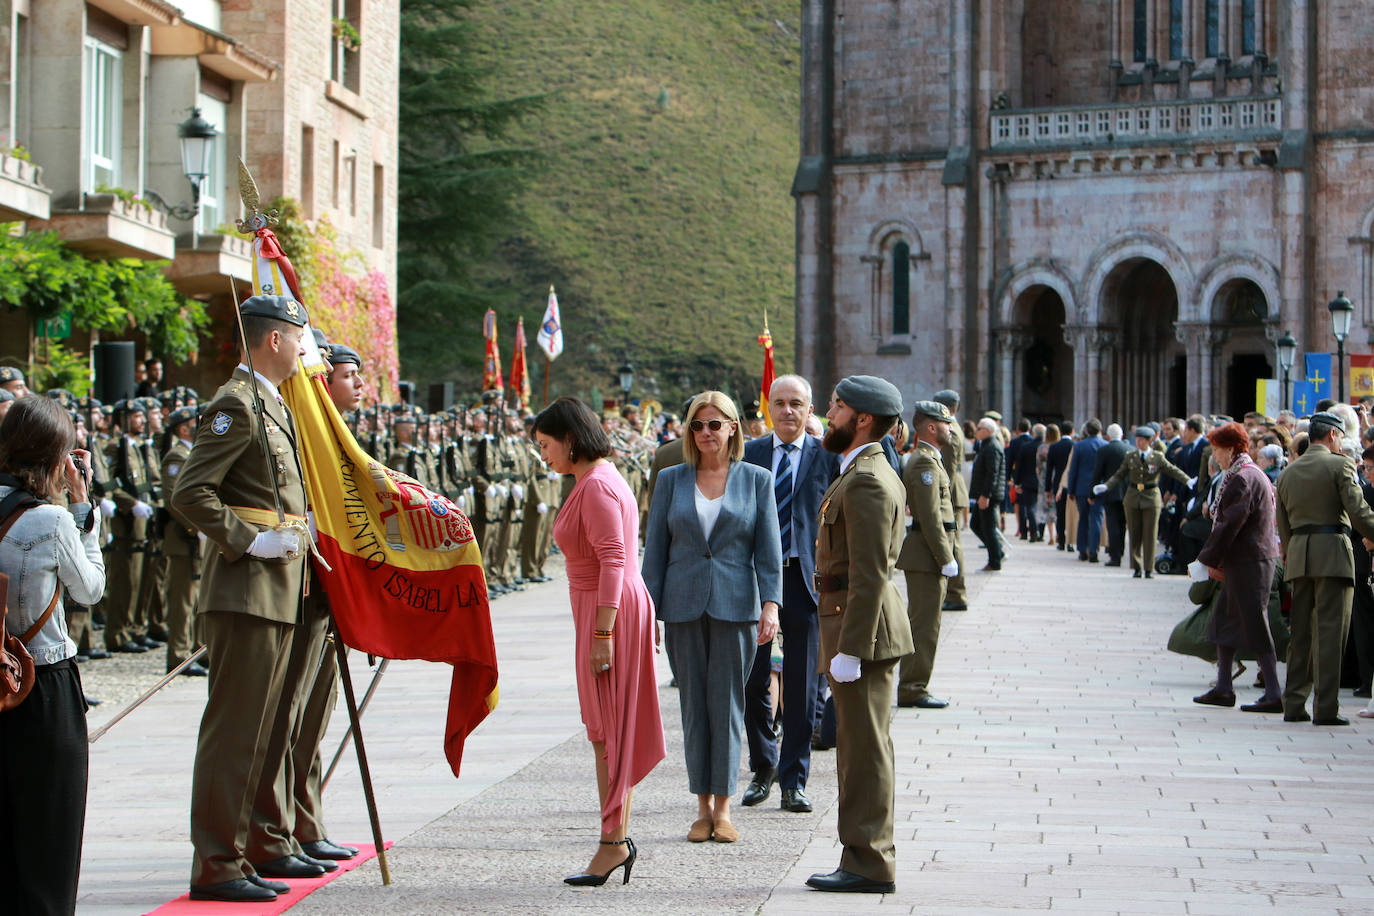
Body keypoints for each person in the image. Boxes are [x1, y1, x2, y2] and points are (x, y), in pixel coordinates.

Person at [171, 294, 317, 902]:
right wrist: (248, 541)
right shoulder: (236, 403)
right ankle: (215, 863)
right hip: (247, 586)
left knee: (263, 730)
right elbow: (190, 491)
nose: (307, 349)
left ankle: (247, 847)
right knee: (234, 731)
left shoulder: (273, 404)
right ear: (274, 340)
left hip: (279, 587)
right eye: (299, 337)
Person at [533, 397, 664, 886]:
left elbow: (613, 562)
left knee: (608, 733)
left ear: (569, 439)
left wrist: (603, 633)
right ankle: (615, 838)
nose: (543, 456)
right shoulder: (593, 480)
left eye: (546, 445)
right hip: (602, 608)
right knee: (605, 732)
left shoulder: (597, 486)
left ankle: (612, 844)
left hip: (607, 611)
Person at [643, 391, 781, 843]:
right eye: (698, 425)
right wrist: (648, 612)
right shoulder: (670, 479)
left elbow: (768, 549)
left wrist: (771, 604)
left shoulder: (756, 479)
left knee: (727, 705)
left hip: (736, 605)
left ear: (733, 428)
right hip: (682, 606)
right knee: (693, 707)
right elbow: (655, 552)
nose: (706, 433)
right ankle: (700, 807)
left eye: (715, 424)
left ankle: (723, 808)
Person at [804, 376, 911, 895]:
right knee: (859, 747)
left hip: (860, 631)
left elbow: (868, 573)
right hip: (854, 623)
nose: (828, 413)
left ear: (862, 418)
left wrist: (850, 648)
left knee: (864, 750)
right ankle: (863, 854)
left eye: (836, 406)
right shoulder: (862, 470)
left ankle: (868, 862)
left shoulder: (867, 478)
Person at [0, 396, 104, 916]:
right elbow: (89, 590)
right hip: (41, 679)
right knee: (50, 831)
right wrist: (86, 513)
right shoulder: (51, 520)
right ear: (56, 457)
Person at [740, 375, 838, 816]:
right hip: (756, 580)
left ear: (810, 408)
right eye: (778, 403)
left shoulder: (827, 457)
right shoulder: (750, 454)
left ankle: (794, 780)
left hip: (804, 581)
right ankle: (763, 768)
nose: (787, 412)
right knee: (753, 677)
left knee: (800, 684)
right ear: (768, 408)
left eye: (796, 403)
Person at [1275, 411, 1374, 726]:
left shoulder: (1289, 472)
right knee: (1330, 634)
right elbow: (1358, 513)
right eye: (1341, 437)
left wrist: (1293, 554)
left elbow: (1283, 524)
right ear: (1333, 435)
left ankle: (1293, 704)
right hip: (1332, 553)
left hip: (1300, 554)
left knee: (1300, 634)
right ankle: (1326, 708)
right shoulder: (1339, 464)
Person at [1191, 422, 1284, 712]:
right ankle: (1223, 687)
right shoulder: (1248, 473)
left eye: (1217, 449)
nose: (1215, 455)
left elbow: (1230, 524)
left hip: (1250, 561)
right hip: (1247, 559)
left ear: (1230, 448)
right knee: (1225, 620)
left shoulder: (1242, 478)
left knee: (1256, 622)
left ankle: (1273, 692)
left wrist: (1204, 560)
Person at [895, 400, 960, 709]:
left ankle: (915, 684)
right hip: (927, 555)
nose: (951, 429)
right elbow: (931, 517)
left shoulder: (930, 459)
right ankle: (912, 687)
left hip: (928, 554)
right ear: (932, 427)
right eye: (947, 424)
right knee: (924, 627)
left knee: (925, 624)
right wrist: (945, 557)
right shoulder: (923, 462)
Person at [1094, 426, 1193, 578]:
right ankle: (1137, 566)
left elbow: (1172, 470)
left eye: (1142, 440)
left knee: (1150, 533)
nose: (1139, 443)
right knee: (1135, 532)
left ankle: (1148, 568)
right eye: (1138, 440)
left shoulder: (1157, 457)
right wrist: (1106, 485)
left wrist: (1187, 480)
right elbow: (1119, 475)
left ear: (1149, 441)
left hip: (1151, 495)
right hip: (1133, 496)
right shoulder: (1131, 456)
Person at [931, 390, 969, 611]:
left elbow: (947, 470)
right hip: (954, 491)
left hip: (951, 492)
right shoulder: (954, 427)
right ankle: (955, 592)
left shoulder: (951, 431)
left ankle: (957, 593)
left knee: (952, 544)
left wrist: (941, 496)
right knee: (953, 542)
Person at [968, 417, 1005, 571]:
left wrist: (986, 495)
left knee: (988, 527)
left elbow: (992, 473)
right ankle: (997, 551)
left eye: (979, 428)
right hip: (983, 494)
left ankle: (995, 561)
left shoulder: (992, 447)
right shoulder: (986, 445)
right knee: (975, 524)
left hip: (988, 495)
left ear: (988, 431)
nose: (976, 431)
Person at [1066, 419, 1106, 562]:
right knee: (1096, 519)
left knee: (1083, 518)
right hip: (1099, 488)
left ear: (1087, 431)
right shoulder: (1105, 445)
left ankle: (1082, 550)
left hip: (1082, 488)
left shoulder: (1079, 446)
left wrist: (1070, 490)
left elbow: (1073, 470)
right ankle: (1094, 550)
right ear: (1100, 430)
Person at [1091, 423, 1129, 566]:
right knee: (1122, 524)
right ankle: (1121, 550)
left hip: (1110, 492)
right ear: (1122, 435)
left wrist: (1092, 493)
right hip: (1126, 493)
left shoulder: (1104, 450)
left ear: (1107, 435)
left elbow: (1097, 473)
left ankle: (1115, 556)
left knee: (1112, 525)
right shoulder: (1130, 449)